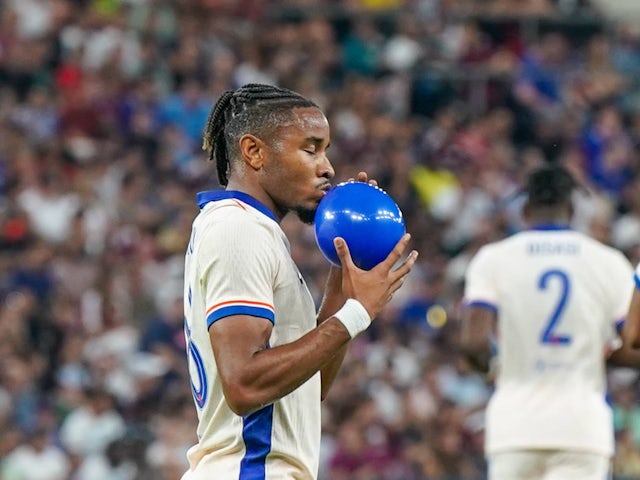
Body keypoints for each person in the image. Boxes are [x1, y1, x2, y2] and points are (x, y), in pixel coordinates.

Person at [180, 83, 418, 480]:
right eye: (311, 149)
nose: (326, 167)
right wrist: (357, 314)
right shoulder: (239, 228)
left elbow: (309, 385)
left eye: (325, 150)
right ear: (253, 152)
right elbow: (245, 385)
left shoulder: (252, 229)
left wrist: (347, 272)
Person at [460, 163, 640, 480]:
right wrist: (598, 356)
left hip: (514, 425)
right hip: (582, 429)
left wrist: (492, 369)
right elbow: (633, 345)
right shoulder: (608, 262)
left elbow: (474, 343)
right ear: (571, 210)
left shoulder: (493, 259)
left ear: (525, 211)